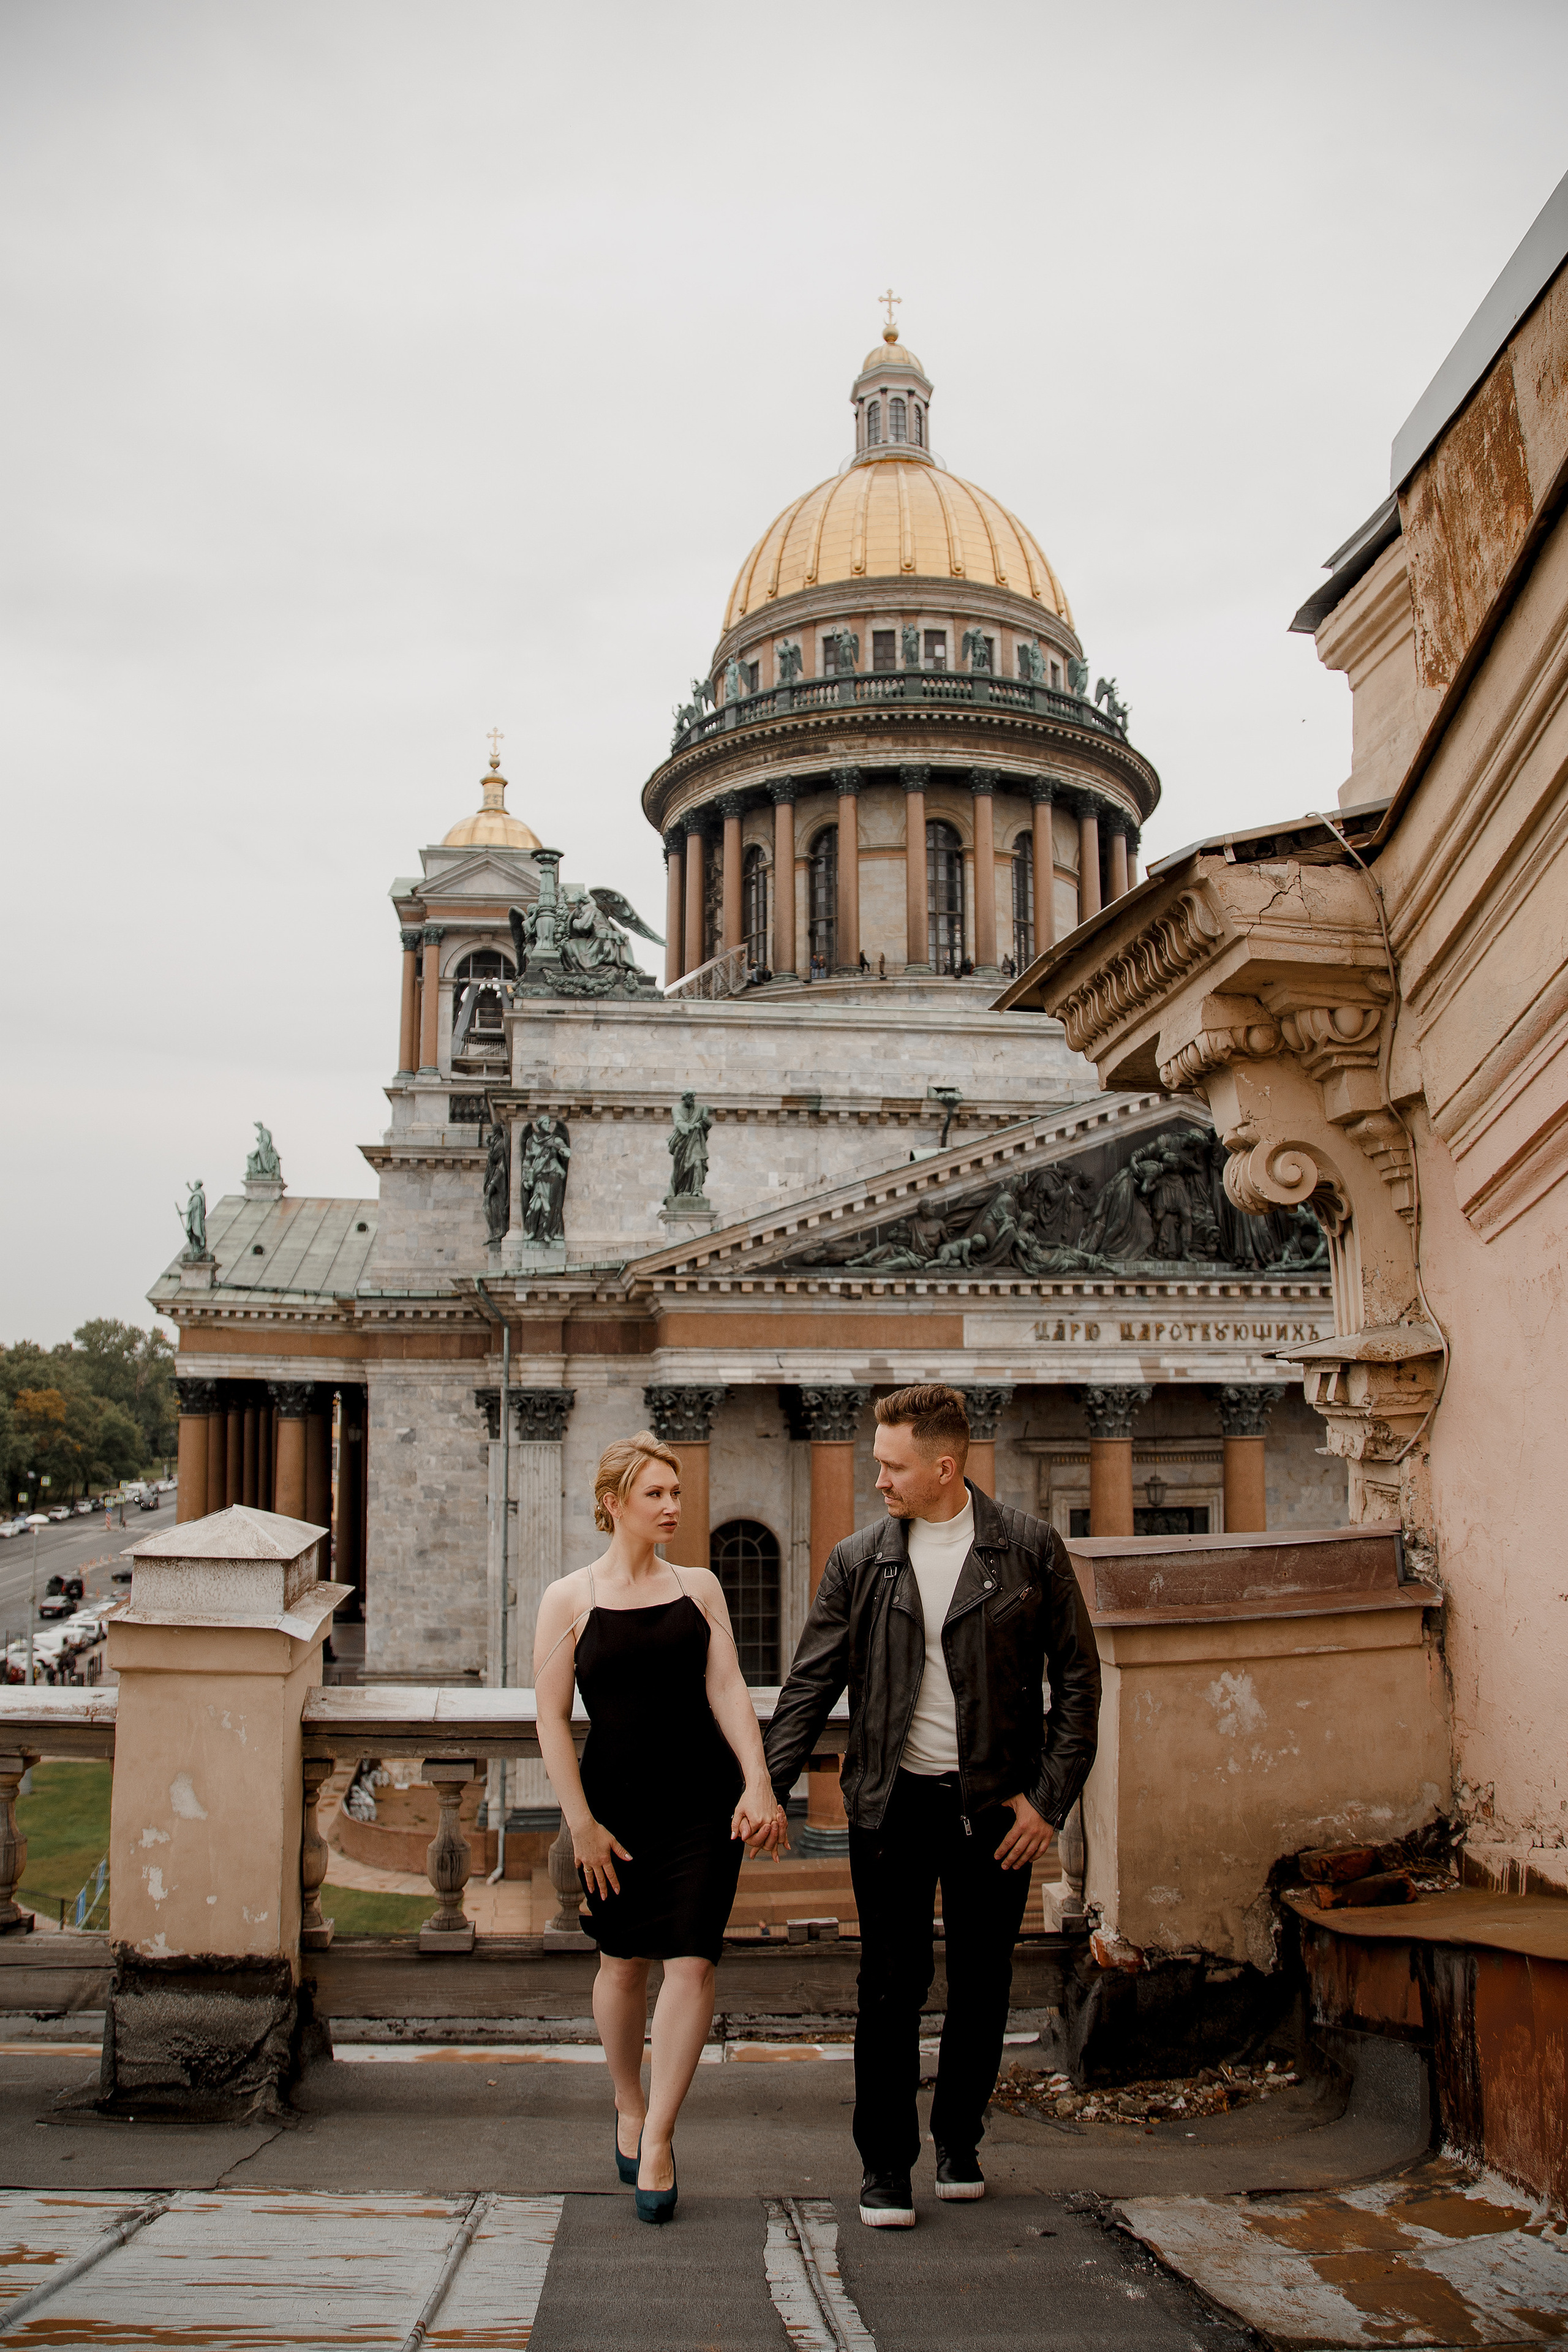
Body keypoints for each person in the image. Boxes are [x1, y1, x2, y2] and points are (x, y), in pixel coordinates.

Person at [763, 1385, 1100, 2230]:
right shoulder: (860, 1560)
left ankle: (959, 2140)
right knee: (889, 1986)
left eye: (891, 1465)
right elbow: (811, 1685)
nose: (877, 1480)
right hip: (890, 1807)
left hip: (997, 1810)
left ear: (945, 1467)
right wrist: (767, 1786)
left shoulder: (1031, 1551)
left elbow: (1081, 1689)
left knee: (984, 1985)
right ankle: (884, 2165)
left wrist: (1049, 1805)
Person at [534, 1433, 787, 2226]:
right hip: (613, 1810)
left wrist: (757, 1779)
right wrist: (579, 1825)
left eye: (675, 1493)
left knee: (693, 1963)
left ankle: (661, 2139)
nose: (673, 1506)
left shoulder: (701, 1587)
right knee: (620, 1966)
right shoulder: (567, 1600)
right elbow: (548, 1721)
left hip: (701, 1805)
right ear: (614, 1505)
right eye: (656, 1495)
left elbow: (730, 1690)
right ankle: (628, 2099)